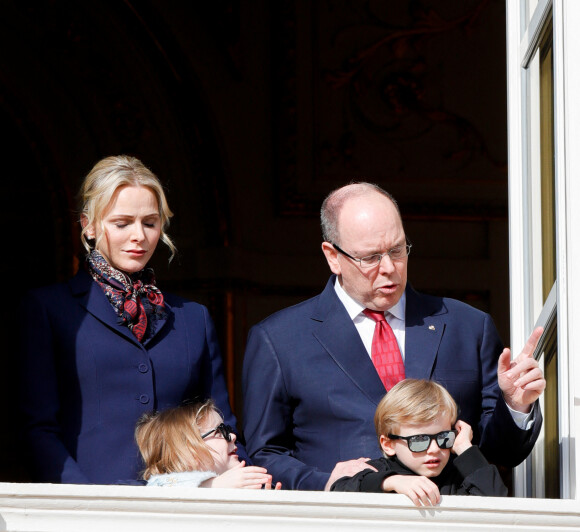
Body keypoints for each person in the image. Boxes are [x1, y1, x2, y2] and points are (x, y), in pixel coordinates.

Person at [242, 182, 545, 491]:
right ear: (333, 256)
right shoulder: (279, 339)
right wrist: (332, 483)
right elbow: (266, 454)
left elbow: (501, 453)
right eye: (371, 257)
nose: (389, 268)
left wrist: (515, 406)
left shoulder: (467, 327)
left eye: (397, 250)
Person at [19, 155, 244, 484]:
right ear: (89, 225)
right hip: (84, 510)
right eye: (122, 223)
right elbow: (38, 429)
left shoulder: (194, 319)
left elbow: (221, 426)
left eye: (150, 223)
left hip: (183, 507)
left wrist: (248, 479)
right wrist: (83, 503)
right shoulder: (48, 309)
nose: (139, 235)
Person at [331, 379, 508, 504]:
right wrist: (391, 482)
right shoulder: (379, 470)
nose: (434, 449)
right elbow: (338, 489)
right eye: (419, 440)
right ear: (388, 444)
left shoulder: (458, 477)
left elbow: (495, 501)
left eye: (443, 438)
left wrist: (465, 448)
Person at [136, 400, 280, 489]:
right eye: (220, 431)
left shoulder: (235, 485)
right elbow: (159, 488)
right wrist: (214, 485)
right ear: (188, 451)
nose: (233, 436)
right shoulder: (163, 485)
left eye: (228, 430)